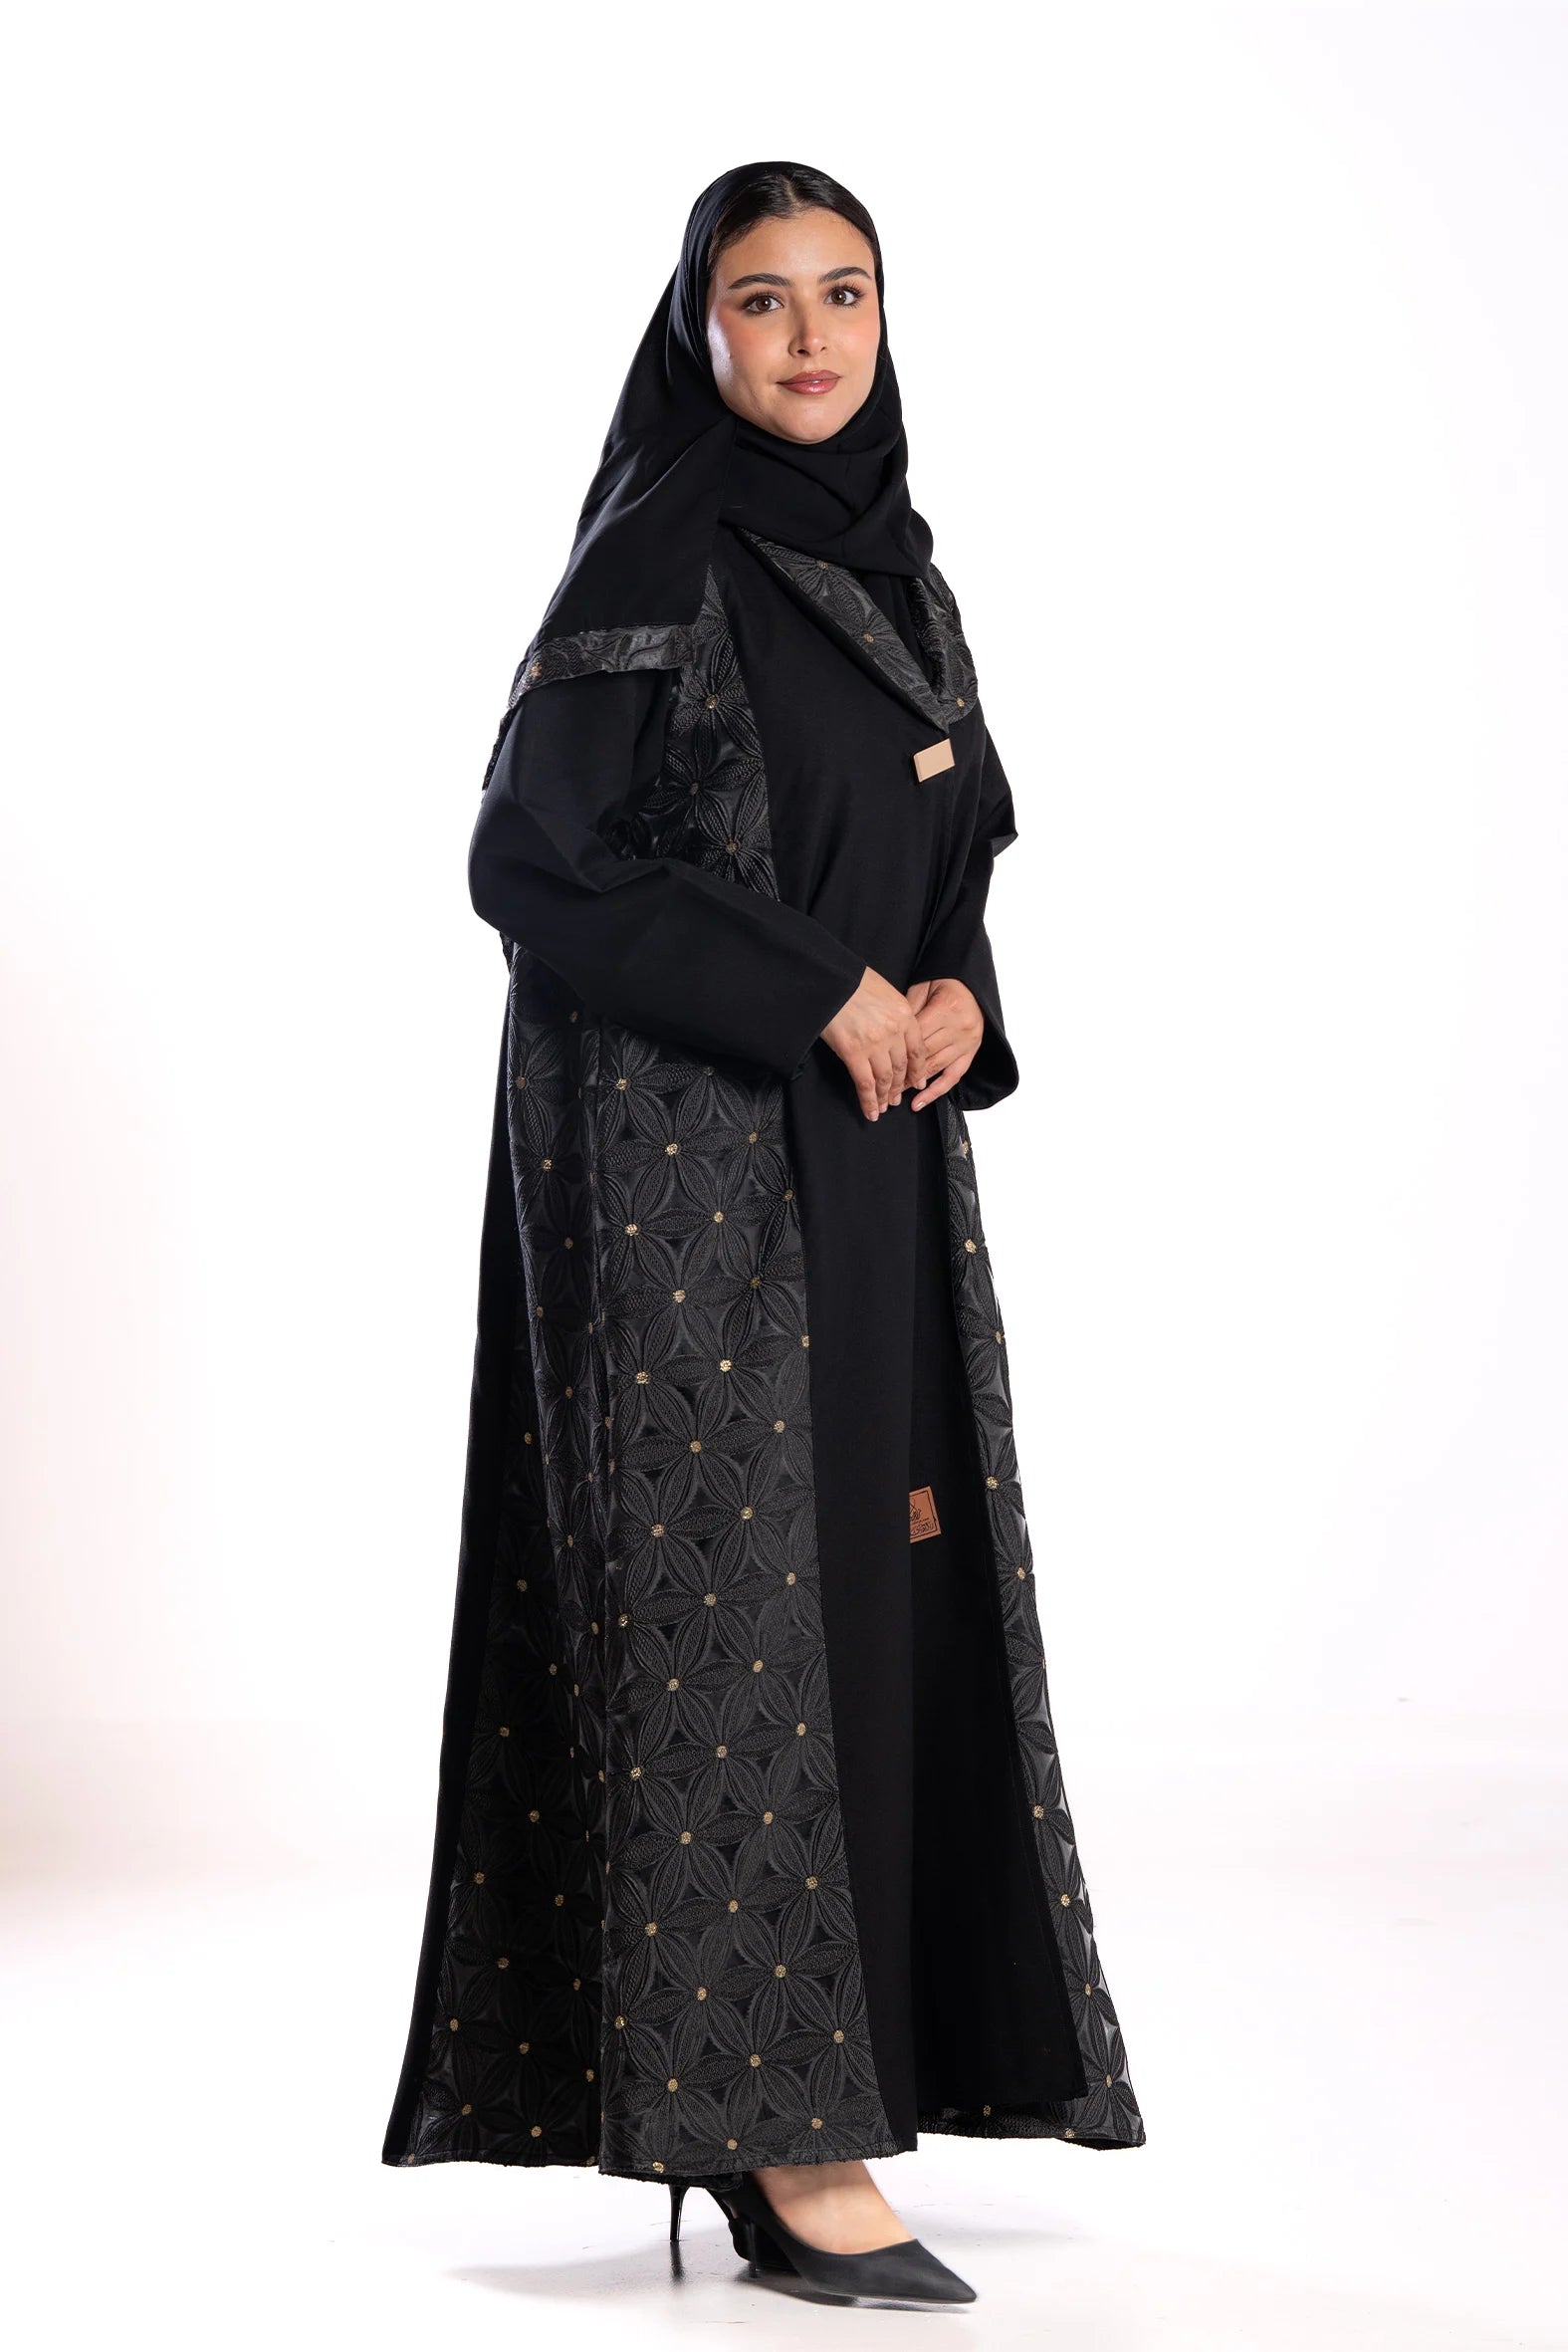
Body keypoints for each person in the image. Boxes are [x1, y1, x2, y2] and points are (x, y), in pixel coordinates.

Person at [381, 159, 1145, 2313]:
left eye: (845, 292)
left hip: (875, 1159)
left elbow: (941, 846)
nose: (811, 339)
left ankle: (836, 2070)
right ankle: (783, 2134)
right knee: (737, 1627)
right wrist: (817, 988)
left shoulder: (893, 560)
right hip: (688, 1187)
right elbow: (530, 862)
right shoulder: (663, 545)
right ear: (694, 329)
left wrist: (958, 990)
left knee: (876, 1609)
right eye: (760, 299)